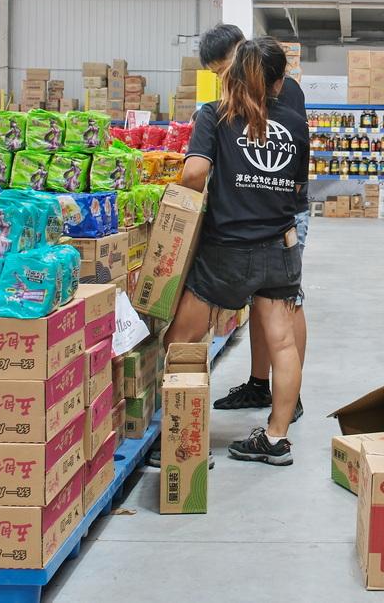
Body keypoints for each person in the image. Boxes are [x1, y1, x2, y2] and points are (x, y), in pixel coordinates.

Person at [164, 37, 309, 466]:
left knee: (183, 341)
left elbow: (194, 172)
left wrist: (177, 200)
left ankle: (183, 441)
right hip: (279, 249)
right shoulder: (297, 123)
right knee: (283, 345)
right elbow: (299, 187)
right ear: (279, 82)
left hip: (226, 249)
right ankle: (277, 437)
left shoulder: (216, 114)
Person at [197, 24, 309, 423]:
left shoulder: (280, 90)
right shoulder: (234, 98)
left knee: (285, 306)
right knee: (268, 304)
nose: (223, 78)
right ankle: (263, 385)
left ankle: (287, 395)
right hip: (261, 211)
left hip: (277, 217)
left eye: (224, 68)